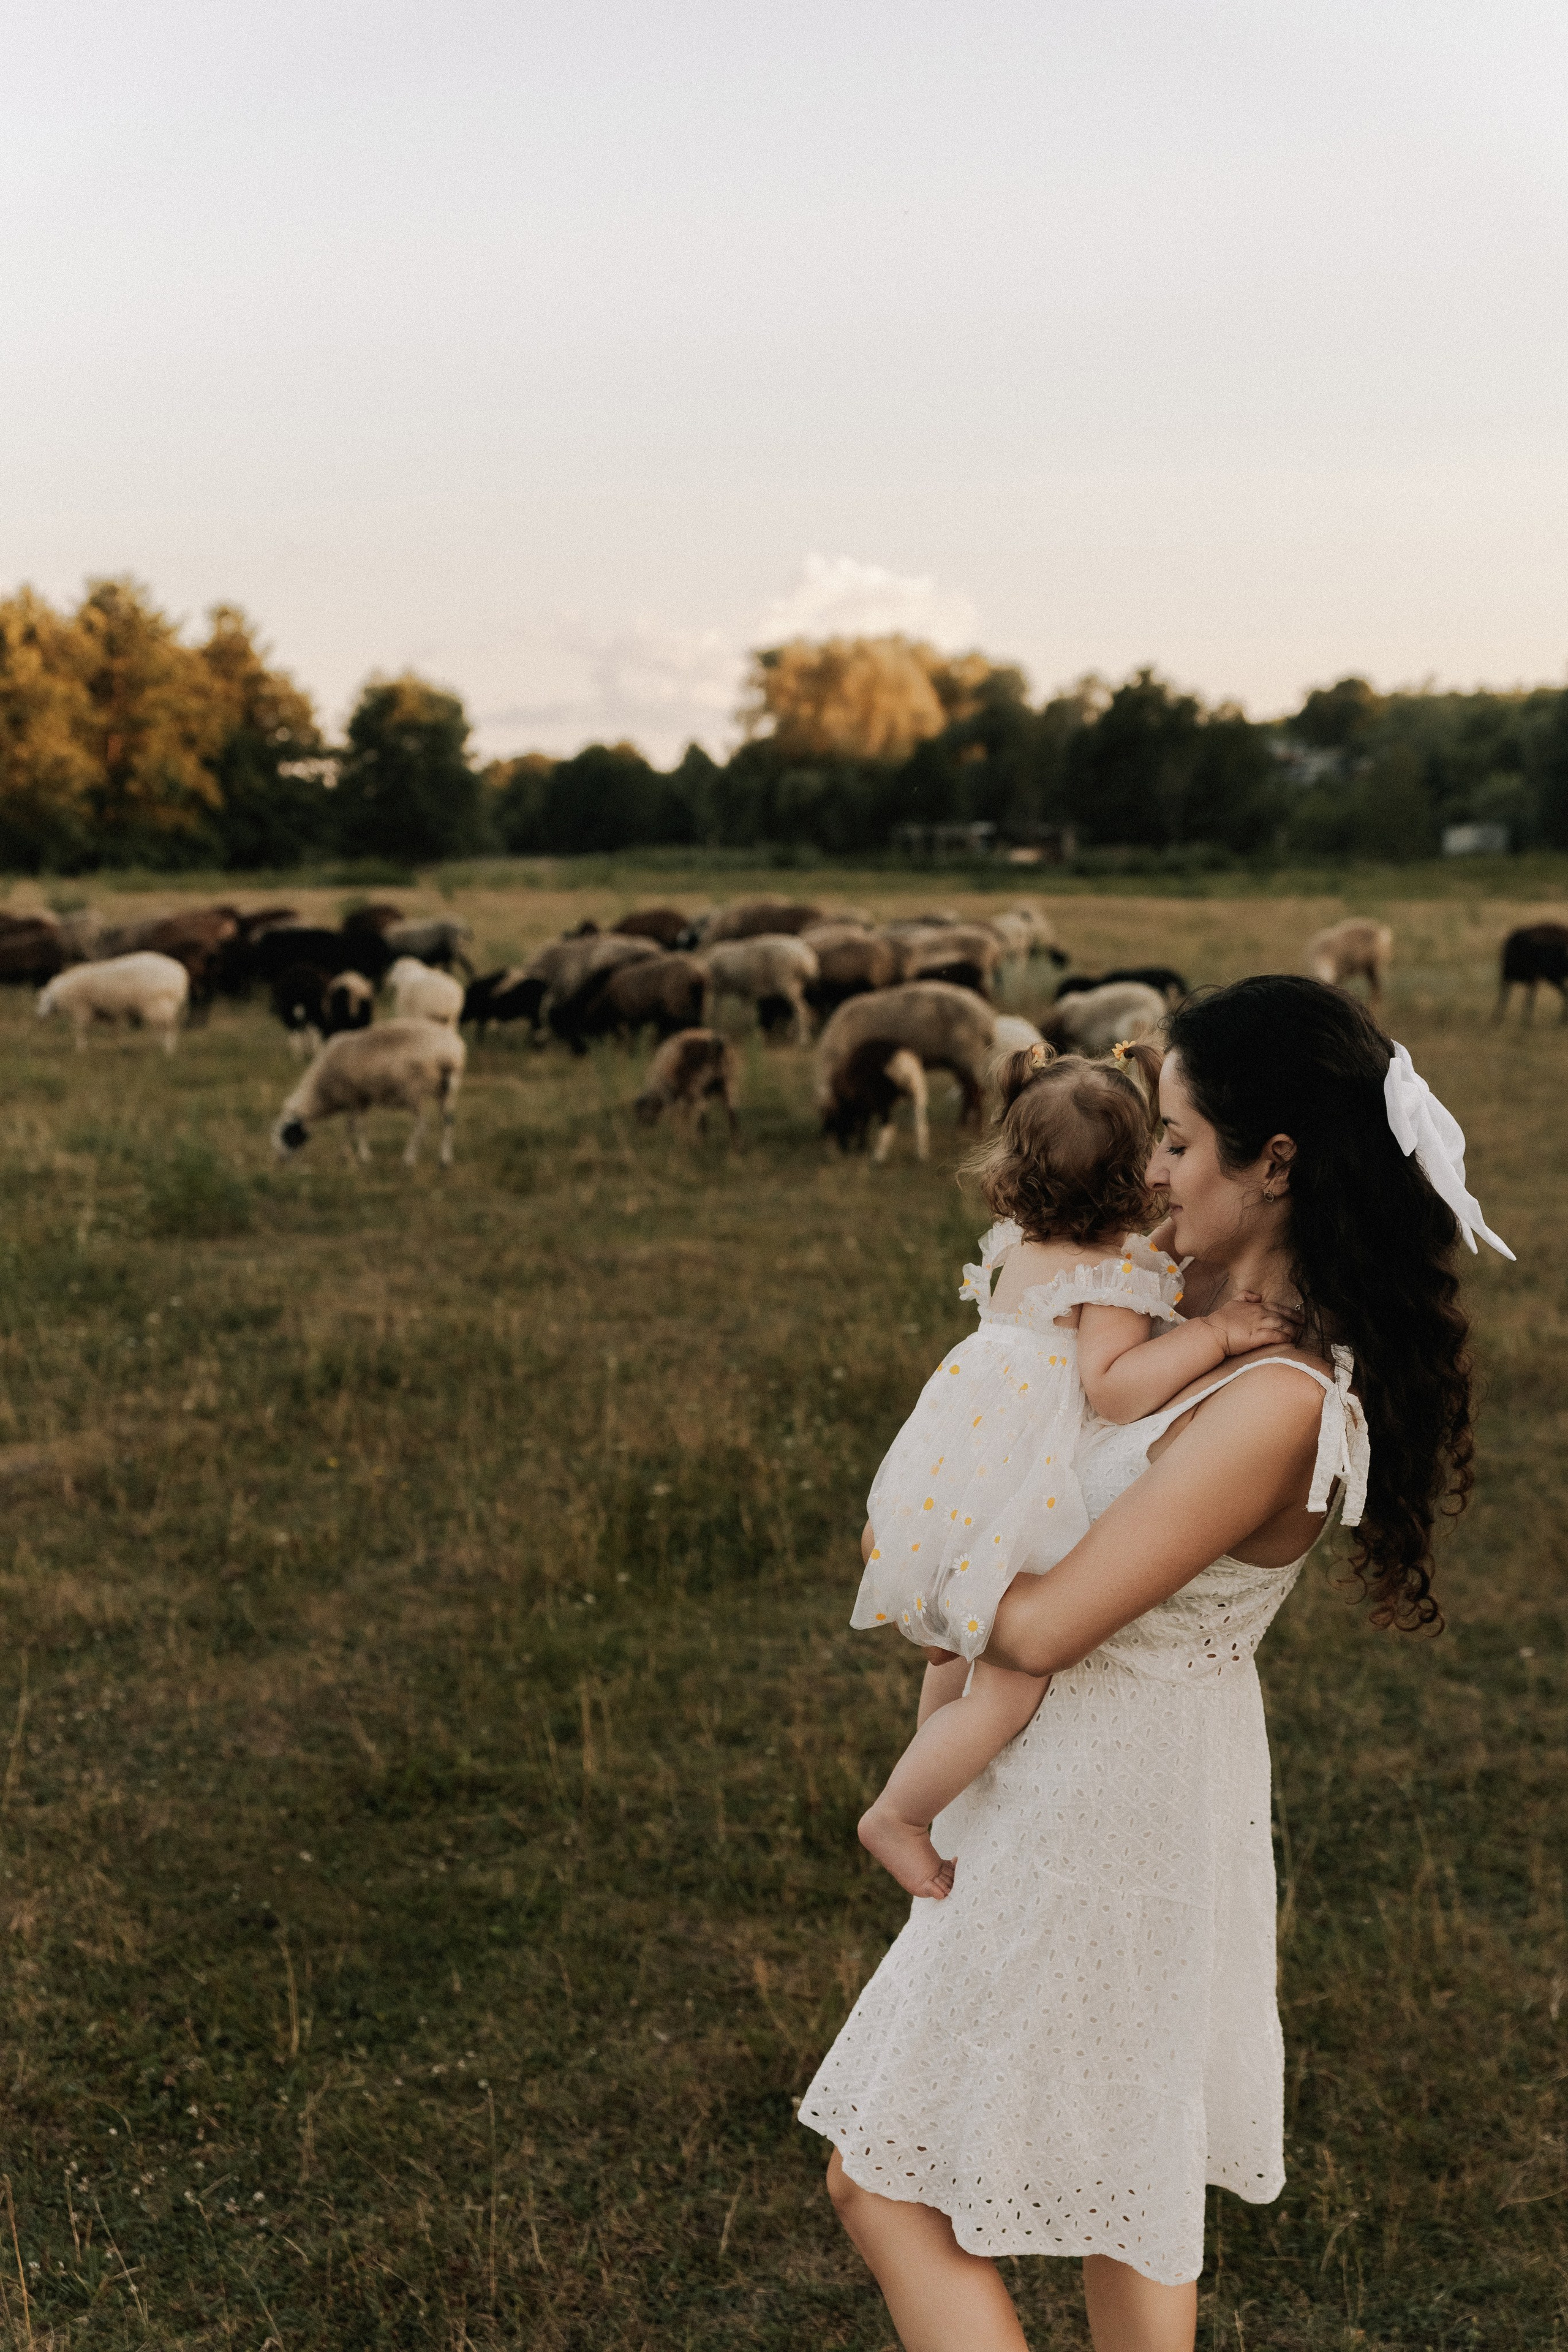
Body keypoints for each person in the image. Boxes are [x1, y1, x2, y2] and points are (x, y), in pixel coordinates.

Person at [800, 976, 1510, 2352]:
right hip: (1059, 1785)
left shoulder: (1277, 1400)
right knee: (1121, 2211)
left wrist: (929, 1555)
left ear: (1276, 1165)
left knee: (882, 2184)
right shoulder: (1169, 1303)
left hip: (1107, 1812)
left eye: (1177, 1143)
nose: (1151, 1171)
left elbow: (1048, 1626)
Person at [854, 1039, 1293, 1903]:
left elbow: (1145, 1255)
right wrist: (1214, 1336)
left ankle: (936, 1791)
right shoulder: (1112, 1273)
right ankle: (901, 1815)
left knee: (951, 1657)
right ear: (1134, 1179)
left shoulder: (1018, 1245)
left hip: (955, 1461)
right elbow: (1115, 1388)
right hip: (1021, 1476)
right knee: (1010, 1686)